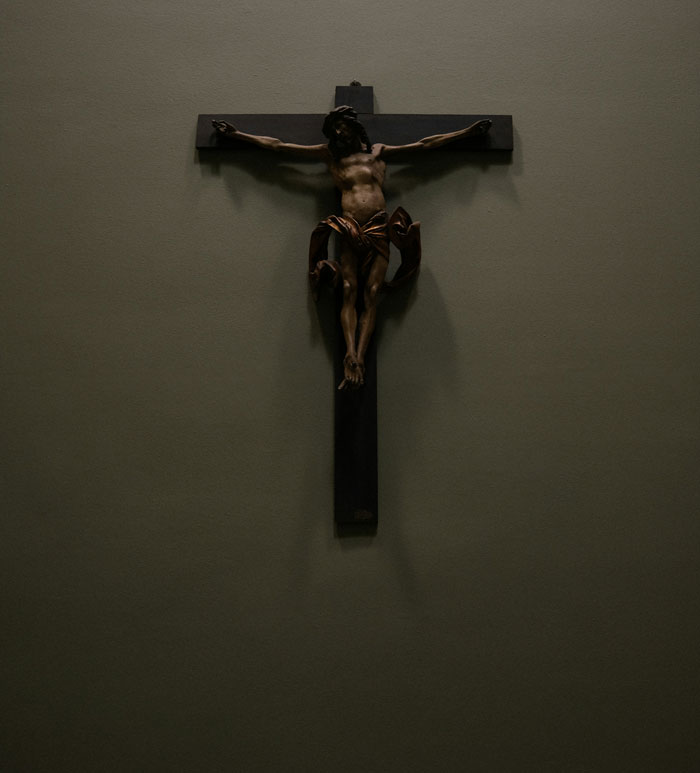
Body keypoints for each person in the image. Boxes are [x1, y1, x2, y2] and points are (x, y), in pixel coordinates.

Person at [212, 107, 491, 389]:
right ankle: (350, 355)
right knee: (348, 290)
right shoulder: (330, 156)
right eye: (335, 134)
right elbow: (280, 147)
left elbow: (424, 145)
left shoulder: (378, 153)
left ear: (354, 129)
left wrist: (466, 133)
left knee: (372, 292)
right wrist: (238, 135)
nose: (339, 137)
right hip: (348, 227)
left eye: (343, 132)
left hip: (378, 227)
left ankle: (359, 355)